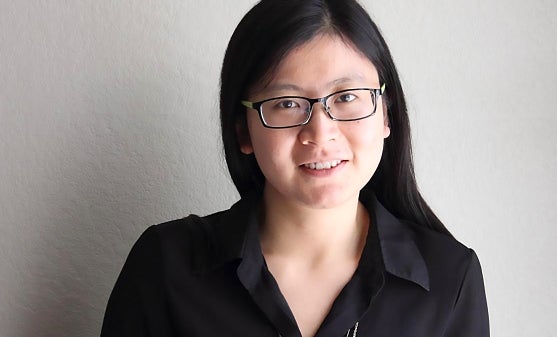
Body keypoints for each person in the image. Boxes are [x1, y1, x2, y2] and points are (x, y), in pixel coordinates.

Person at [101, 0, 489, 336]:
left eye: (348, 97)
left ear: (386, 115)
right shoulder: (166, 268)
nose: (320, 133)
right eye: (286, 103)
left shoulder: (449, 278)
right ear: (243, 132)